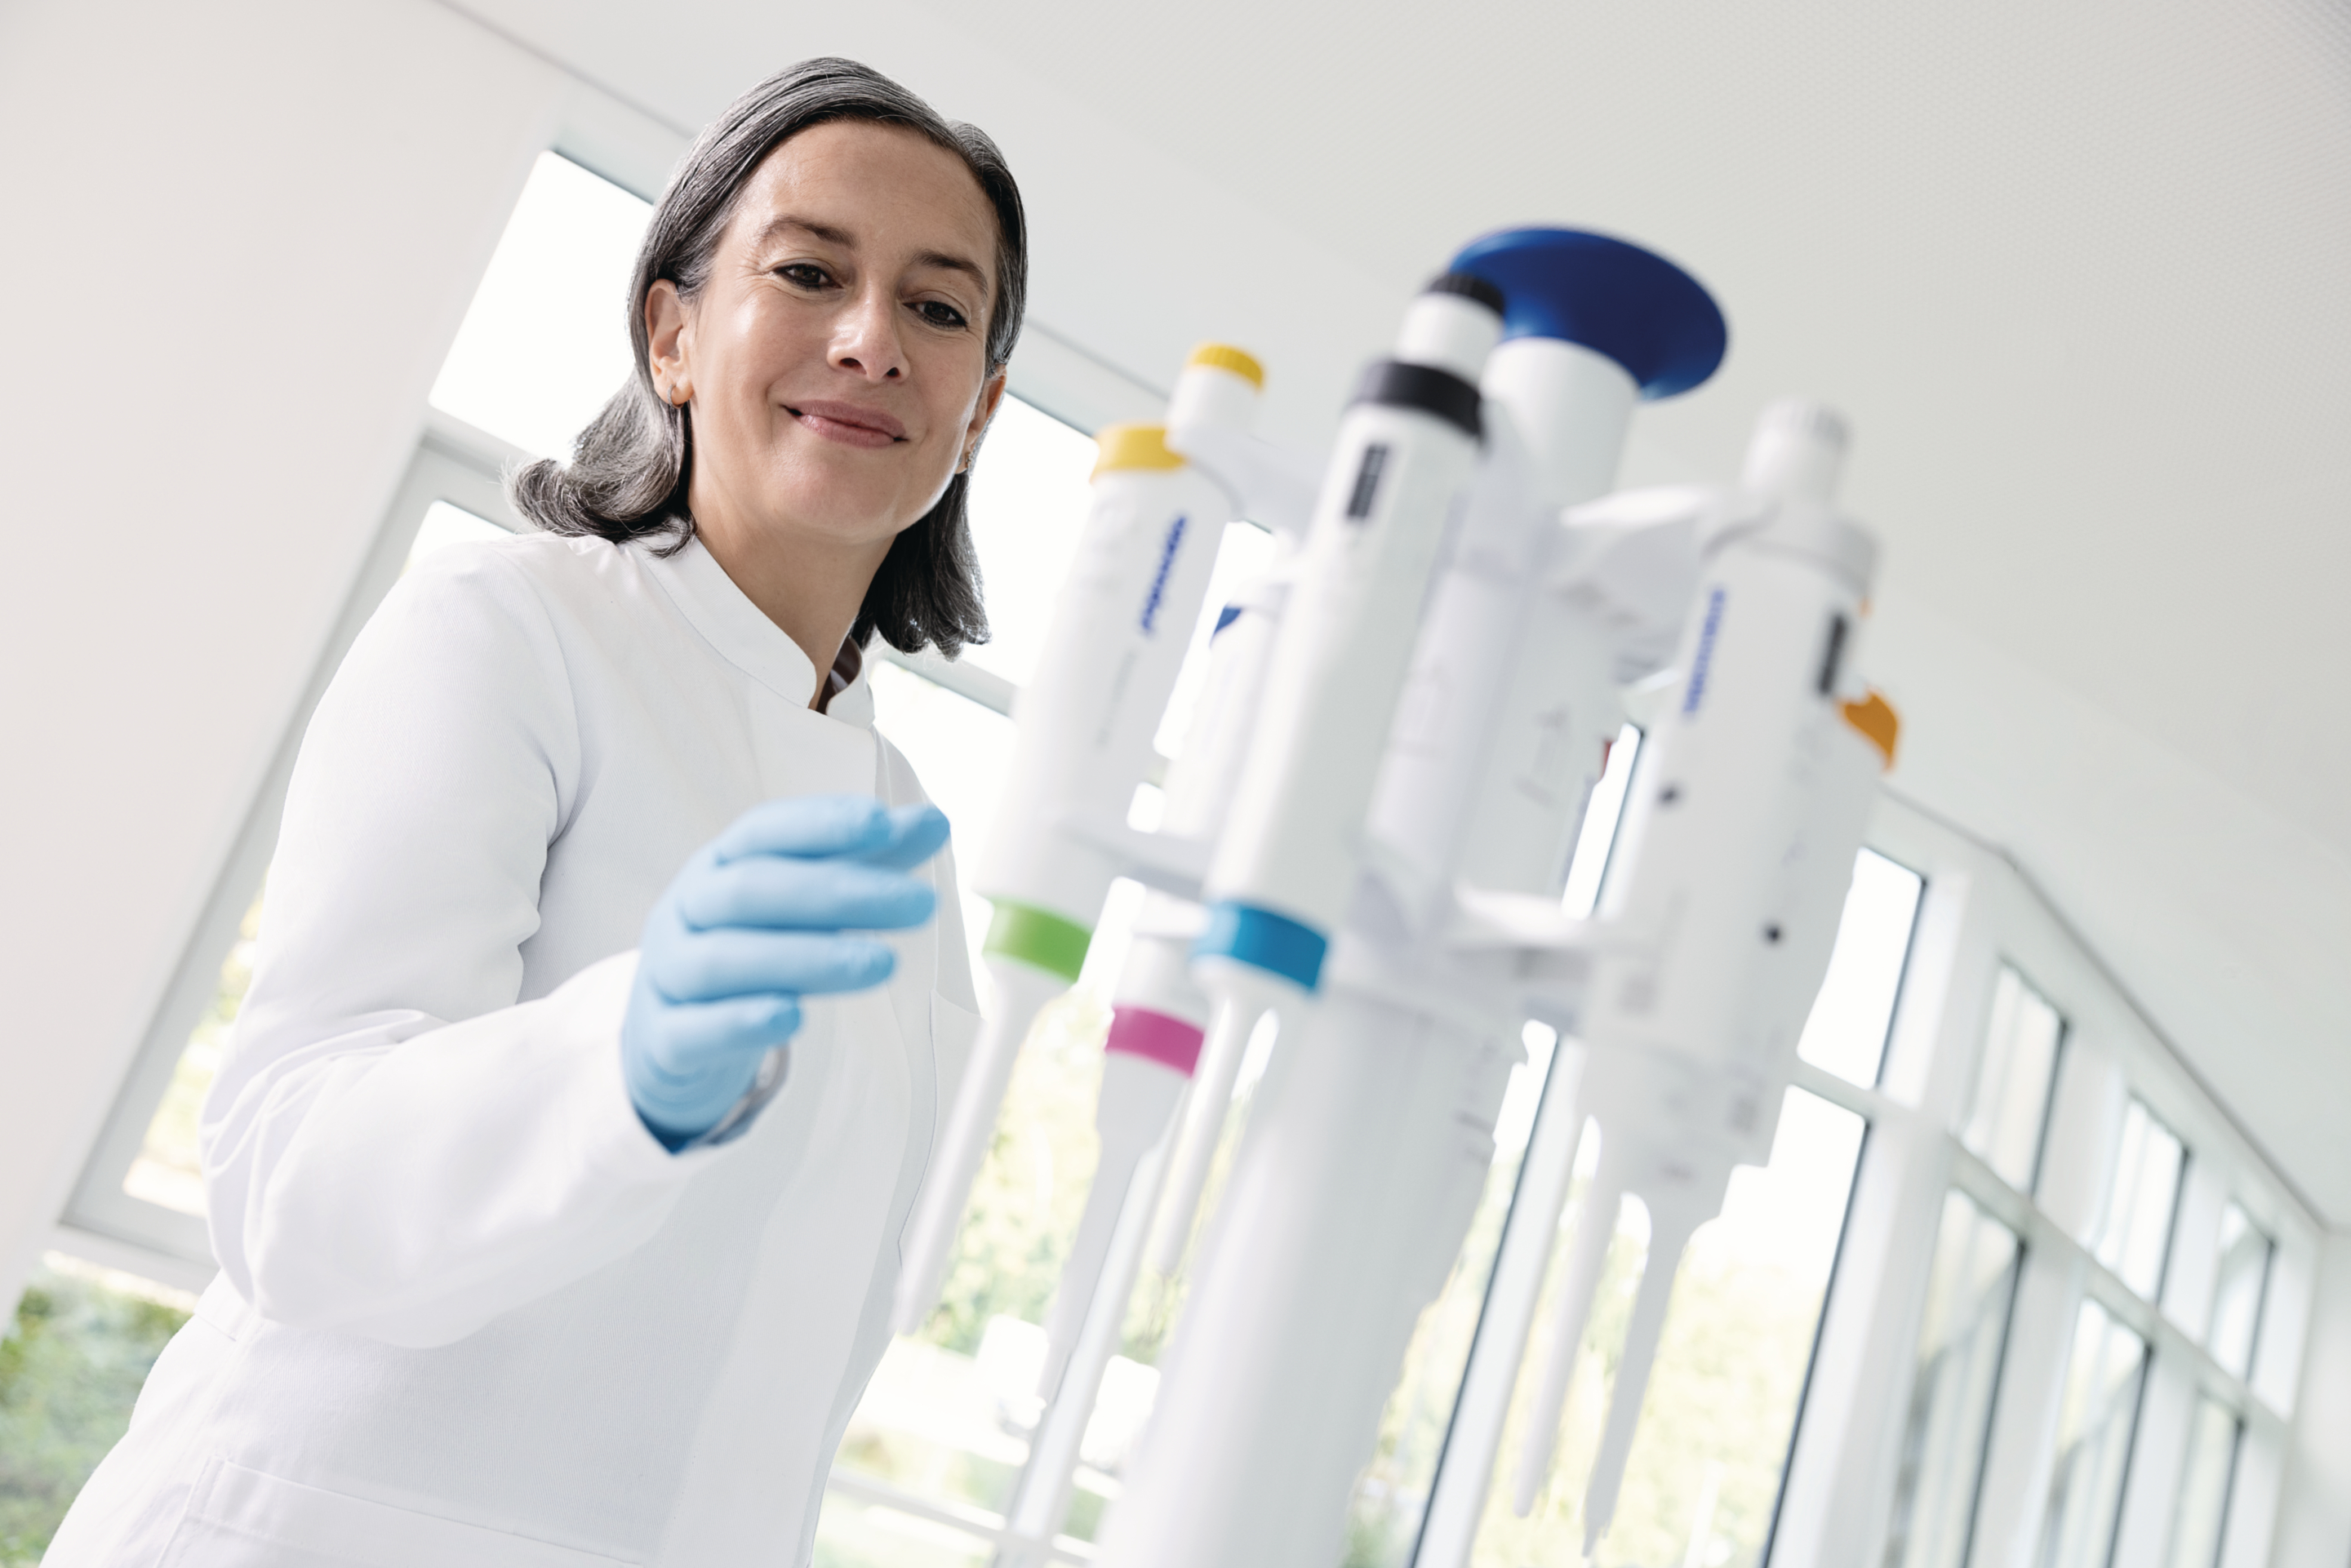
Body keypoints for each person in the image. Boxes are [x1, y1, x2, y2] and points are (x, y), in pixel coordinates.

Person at [47, 56, 1023, 1566]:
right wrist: (619, 1065)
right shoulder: (510, 630)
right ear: (673, 333)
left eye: (940, 308)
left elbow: (781, 1367)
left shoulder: (908, 839)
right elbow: (291, 1180)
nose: (871, 339)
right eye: (809, 272)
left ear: (979, 415)